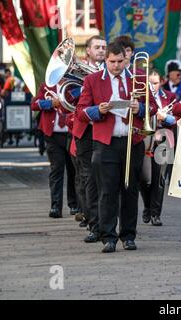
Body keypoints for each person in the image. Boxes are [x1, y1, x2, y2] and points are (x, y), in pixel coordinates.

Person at [76, 43, 157, 253]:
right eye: (112, 62)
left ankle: (128, 236)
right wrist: (98, 110)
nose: (116, 66)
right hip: (106, 143)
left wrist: (141, 108)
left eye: (120, 61)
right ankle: (108, 237)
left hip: (133, 141)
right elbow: (81, 112)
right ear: (106, 60)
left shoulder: (138, 78)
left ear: (126, 59)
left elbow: (153, 107)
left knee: (130, 189)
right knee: (107, 191)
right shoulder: (92, 80)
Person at [72, 35, 107, 239]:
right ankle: (94, 224)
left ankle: (106, 222)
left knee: (107, 179)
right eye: (97, 47)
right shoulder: (77, 71)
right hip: (86, 130)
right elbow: (70, 98)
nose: (101, 50)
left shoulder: (113, 69)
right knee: (88, 179)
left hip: (106, 129)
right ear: (89, 51)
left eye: (104, 47)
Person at [31, 83, 79, 218]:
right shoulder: (46, 86)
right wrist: (51, 103)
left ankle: (74, 204)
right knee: (56, 170)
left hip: (71, 134)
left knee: (73, 170)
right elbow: (34, 105)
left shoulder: (74, 84)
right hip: (52, 135)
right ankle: (55, 206)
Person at [139, 69, 176, 226]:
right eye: (149, 83)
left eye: (155, 83)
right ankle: (147, 205)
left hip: (164, 139)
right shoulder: (141, 96)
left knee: (159, 179)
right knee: (144, 179)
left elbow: (177, 119)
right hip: (146, 139)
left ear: (161, 82)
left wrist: (164, 117)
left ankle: (156, 213)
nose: (152, 87)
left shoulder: (170, 97)